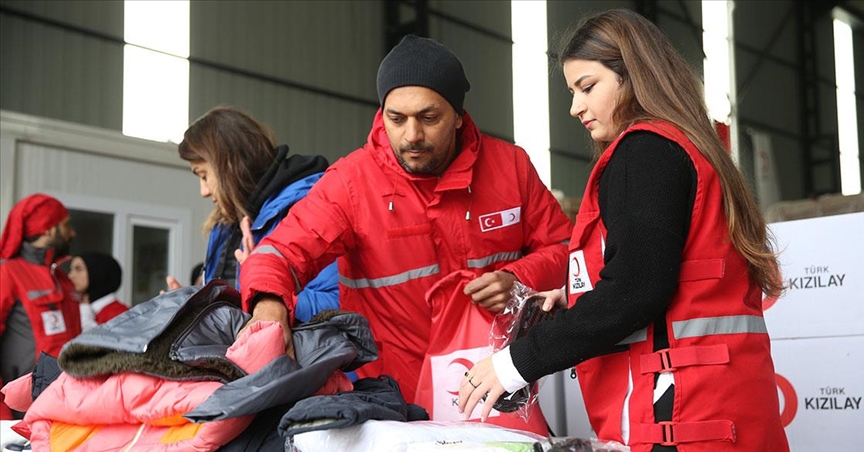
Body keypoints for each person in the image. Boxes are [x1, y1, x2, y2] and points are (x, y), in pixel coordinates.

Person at [458, 9, 791, 452]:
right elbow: (656, 270)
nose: (575, 107)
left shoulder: (645, 152)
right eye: (572, 90)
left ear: (634, 76)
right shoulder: (691, 146)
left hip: (679, 419)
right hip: (717, 411)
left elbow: (635, 290)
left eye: (587, 86)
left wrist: (515, 364)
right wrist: (576, 297)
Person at [238, 34, 573, 427]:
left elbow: (567, 247)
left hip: (498, 396)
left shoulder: (511, 169)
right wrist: (267, 304)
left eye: (428, 118)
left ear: (459, 116)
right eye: (396, 119)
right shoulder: (351, 183)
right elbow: (279, 253)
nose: (411, 135)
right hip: (395, 407)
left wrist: (518, 279)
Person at [165, 106, 339, 324]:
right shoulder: (226, 226)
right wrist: (195, 307)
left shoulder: (309, 208)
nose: (204, 191)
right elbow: (234, 313)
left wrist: (261, 287)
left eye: (204, 175)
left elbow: (336, 303)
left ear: (230, 166)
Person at [0, 194, 81, 418]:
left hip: (67, 402)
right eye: (66, 226)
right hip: (20, 410)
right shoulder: (8, 273)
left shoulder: (64, 280)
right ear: (47, 230)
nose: (72, 233)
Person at [67, 252, 130, 331]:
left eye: (79, 269)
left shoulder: (122, 315)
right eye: (71, 269)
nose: (70, 276)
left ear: (98, 272)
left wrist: (85, 314)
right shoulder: (79, 307)